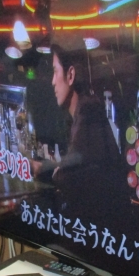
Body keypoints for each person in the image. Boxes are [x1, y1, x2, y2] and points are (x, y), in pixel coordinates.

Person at [32, 44, 124, 215]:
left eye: (55, 71)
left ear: (71, 75)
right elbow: (74, 163)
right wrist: (46, 167)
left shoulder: (88, 110)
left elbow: (68, 175)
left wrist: (47, 169)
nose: (52, 81)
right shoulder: (84, 109)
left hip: (100, 223)